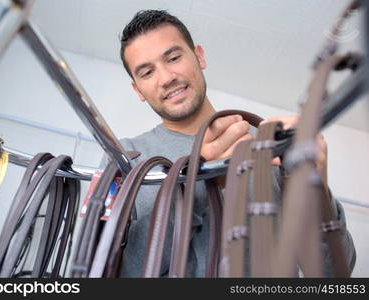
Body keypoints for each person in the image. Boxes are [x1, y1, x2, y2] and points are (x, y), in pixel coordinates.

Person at [107, 9, 356, 277]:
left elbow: (332, 274)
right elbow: (118, 272)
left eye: (174, 57)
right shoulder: (126, 159)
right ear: (138, 90)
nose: (167, 78)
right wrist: (198, 182)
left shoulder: (270, 147)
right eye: (147, 72)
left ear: (199, 56)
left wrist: (318, 192)